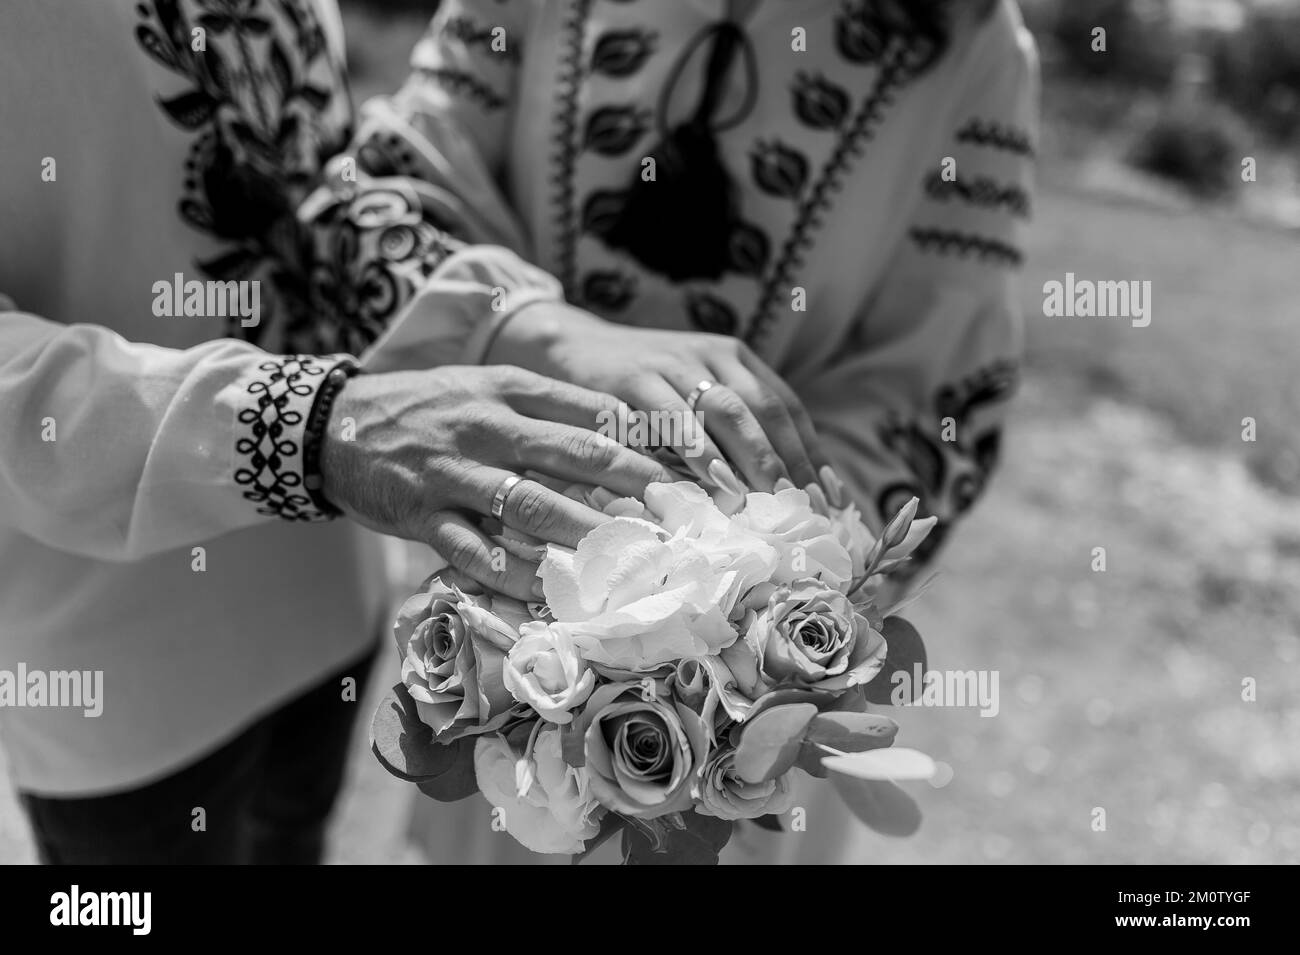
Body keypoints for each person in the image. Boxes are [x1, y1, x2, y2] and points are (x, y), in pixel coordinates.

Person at [0, 0, 808, 864]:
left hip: (328, 598)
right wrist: (315, 428)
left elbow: (306, 187)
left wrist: (518, 319)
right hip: (114, 670)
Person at [347, 0, 1039, 863]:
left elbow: (938, 383)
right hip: (506, 624)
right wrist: (531, 329)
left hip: (744, 684)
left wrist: (738, 625)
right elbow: (383, 195)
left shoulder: (969, 36)